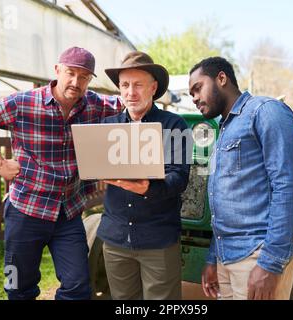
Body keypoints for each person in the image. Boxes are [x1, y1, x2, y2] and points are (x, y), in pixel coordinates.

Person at [0, 47, 124, 300]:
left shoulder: (95, 105)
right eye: (70, 73)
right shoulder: (23, 102)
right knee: (17, 286)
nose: (76, 82)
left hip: (68, 213)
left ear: (90, 80)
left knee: (78, 286)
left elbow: (131, 102)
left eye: (84, 77)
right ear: (57, 71)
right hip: (26, 210)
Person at [188, 57, 293, 300]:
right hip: (226, 257)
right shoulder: (224, 129)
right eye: (191, 93)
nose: (194, 98)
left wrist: (270, 264)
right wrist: (213, 259)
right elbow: (224, 204)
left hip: (257, 256)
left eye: (198, 88)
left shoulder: (266, 111)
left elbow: (287, 187)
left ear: (222, 78)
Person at [96, 51, 191, 300]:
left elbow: (179, 178)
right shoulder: (107, 127)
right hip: (115, 239)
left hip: (157, 240)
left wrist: (149, 187)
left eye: (138, 85)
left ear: (153, 87)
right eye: (125, 85)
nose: (131, 92)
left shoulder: (174, 126)